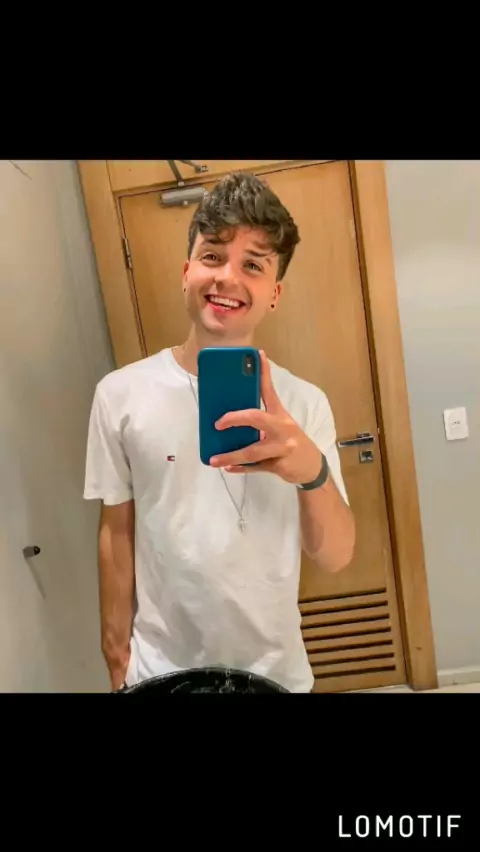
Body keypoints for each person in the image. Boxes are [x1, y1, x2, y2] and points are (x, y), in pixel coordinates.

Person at [83, 171, 355, 693]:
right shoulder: (119, 395)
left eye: (253, 264)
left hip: (275, 673)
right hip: (160, 671)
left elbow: (336, 556)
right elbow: (116, 532)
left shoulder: (305, 405)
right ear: (186, 272)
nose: (227, 277)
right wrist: (116, 658)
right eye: (212, 255)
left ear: (274, 293)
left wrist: (313, 472)